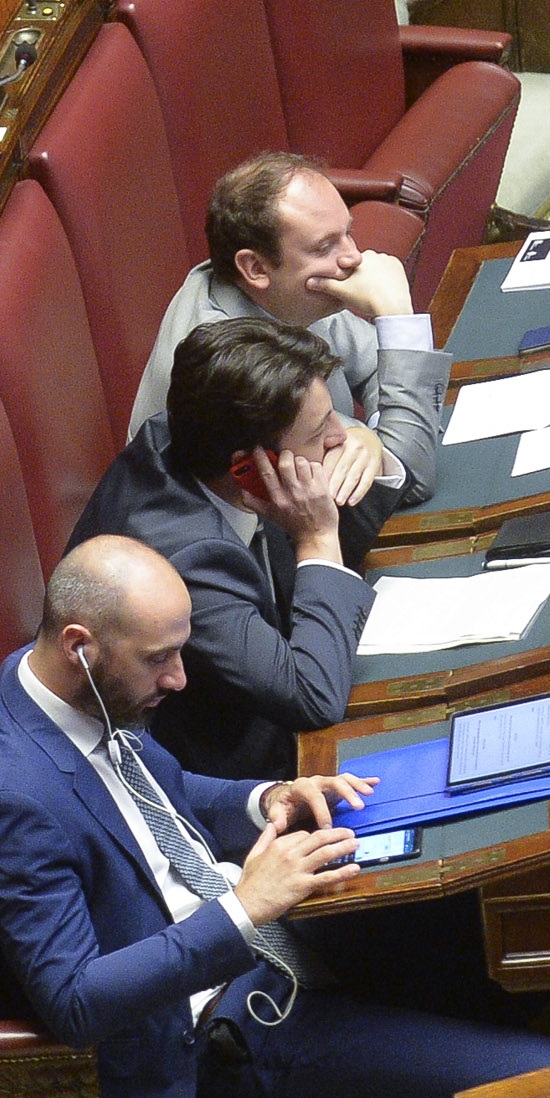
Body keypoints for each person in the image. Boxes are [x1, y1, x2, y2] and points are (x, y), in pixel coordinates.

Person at [0, 535, 550, 1098]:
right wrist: (245, 908)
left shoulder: (64, 694)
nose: (179, 680)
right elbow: (75, 1001)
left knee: (485, 947)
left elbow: (162, 794)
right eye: (162, 659)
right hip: (218, 1028)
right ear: (81, 646)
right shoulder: (13, 798)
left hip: (259, 950)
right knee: (531, 1085)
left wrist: (263, 800)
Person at [76, 313, 367, 775]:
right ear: (248, 467)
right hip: (238, 776)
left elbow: (363, 533)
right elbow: (313, 697)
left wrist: (366, 443)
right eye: (320, 432)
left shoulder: (192, 432)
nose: (340, 435)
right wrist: (316, 538)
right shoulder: (188, 560)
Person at [127, 150, 442, 533]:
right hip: (243, 567)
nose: (354, 258)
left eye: (349, 233)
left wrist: (372, 439)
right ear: (256, 267)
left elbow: (379, 369)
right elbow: (410, 477)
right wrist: (398, 319)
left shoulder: (287, 291)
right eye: (324, 246)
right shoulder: (233, 361)